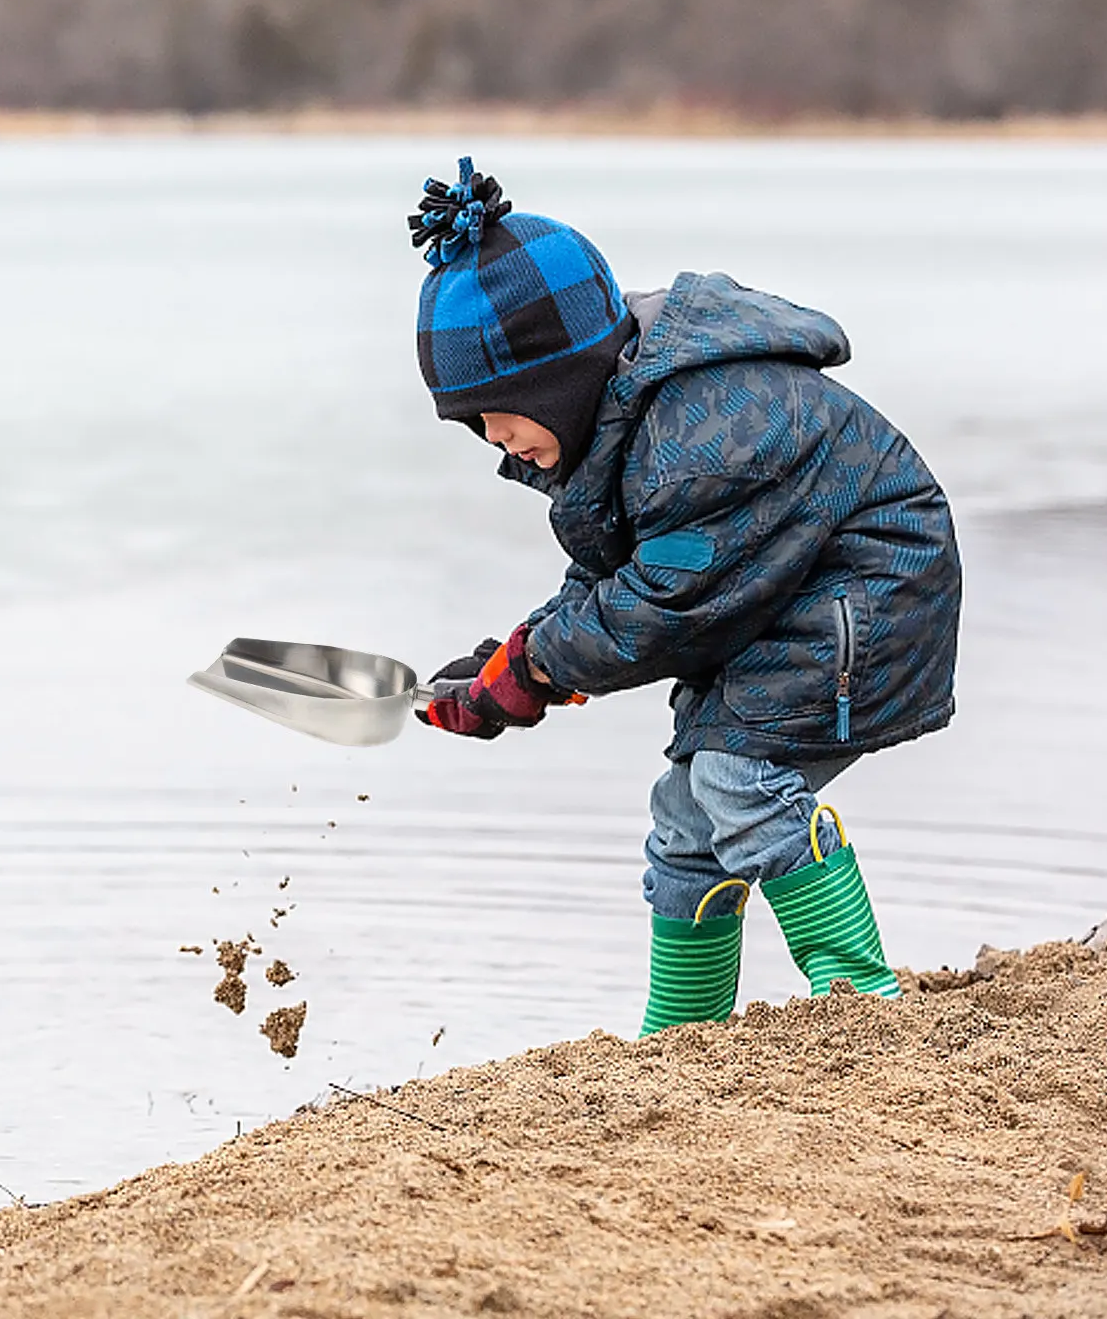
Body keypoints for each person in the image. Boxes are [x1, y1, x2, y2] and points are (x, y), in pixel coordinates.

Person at [411, 158, 961, 1032]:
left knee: (742, 780)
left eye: (499, 410)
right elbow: (619, 578)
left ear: (561, 381)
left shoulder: (703, 435)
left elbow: (663, 606)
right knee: (685, 816)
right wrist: (516, 655)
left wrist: (538, 669)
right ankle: (681, 1032)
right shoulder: (622, 422)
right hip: (776, 601)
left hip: (869, 592)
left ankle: (864, 1009)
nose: (493, 437)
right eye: (472, 422)